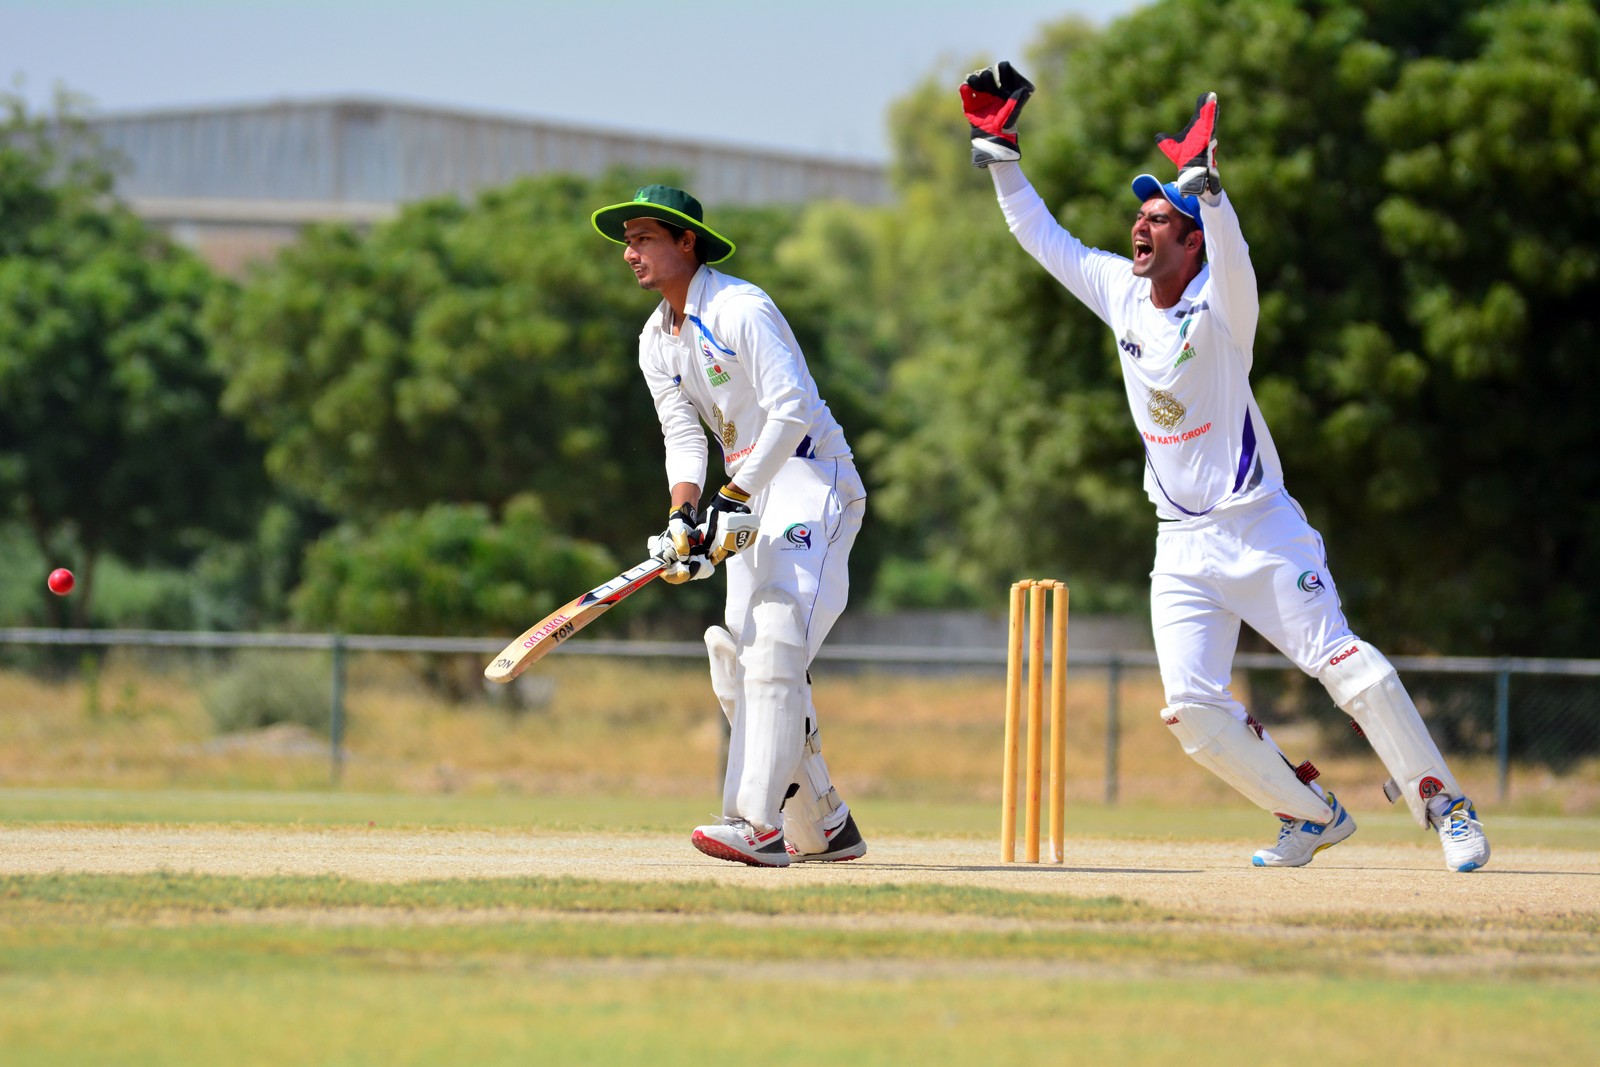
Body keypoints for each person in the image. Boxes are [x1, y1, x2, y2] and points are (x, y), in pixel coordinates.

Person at [960, 64, 1490, 872]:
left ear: (1191, 242)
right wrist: (999, 156)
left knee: (1349, 667)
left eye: (1159, 219)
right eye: (1140, 215)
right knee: (1191, 709)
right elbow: (1042, 236)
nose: (1141, 226)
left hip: (1260, 529)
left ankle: (1445, 804)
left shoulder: (1221, 310)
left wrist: (1209, 190)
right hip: (1180, 546)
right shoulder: (1119, 291)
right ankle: (1310, 814)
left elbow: (1237, 264)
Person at [590, 184, 868, 867]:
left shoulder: (741, 307)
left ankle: (756, 825)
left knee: (775, 641)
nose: (630, 253)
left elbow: (792, 410)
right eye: (627, 241)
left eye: (644, 238)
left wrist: (732, 494)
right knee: (740, 665)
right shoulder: (655, 339)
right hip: (747, 497)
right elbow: (683, 436)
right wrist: (682, 515)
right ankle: (823, 822)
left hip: (810, 477)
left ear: (687, 242)